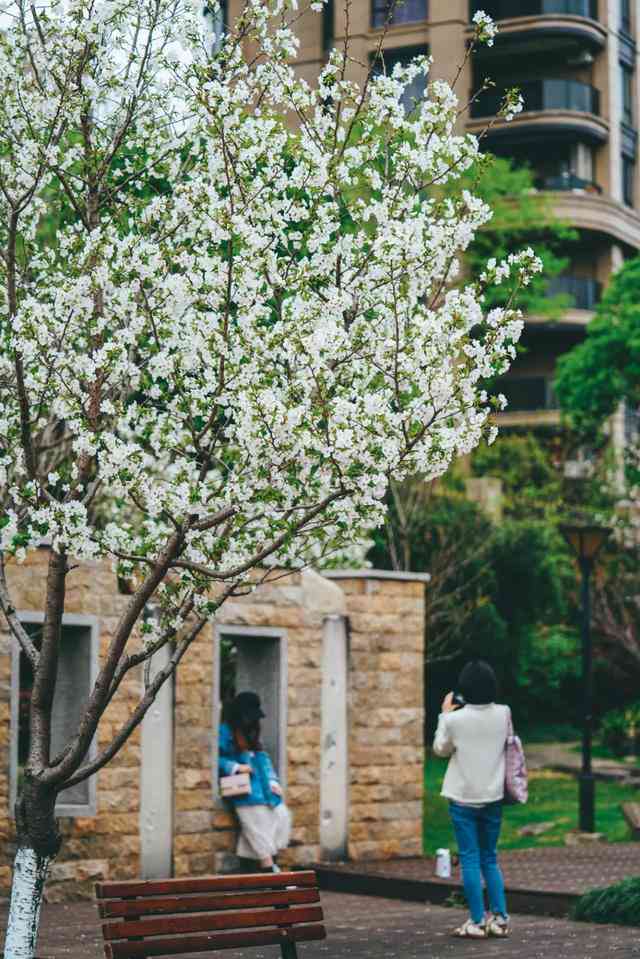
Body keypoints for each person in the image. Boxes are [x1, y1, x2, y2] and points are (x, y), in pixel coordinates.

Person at [432, 660, 510, 939]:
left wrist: (444, 715)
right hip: (493, 797)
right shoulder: (504, 713)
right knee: (490, 858)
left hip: (463, 798)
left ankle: (476, 921)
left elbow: (440, 749)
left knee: (470, 860)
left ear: (464, 689)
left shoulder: (455, 719)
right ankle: (499, 919)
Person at [218, 691, 291, 873]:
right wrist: (234, 766)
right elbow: (215, 758)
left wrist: (274, 781)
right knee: (255, 825)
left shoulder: (252, 731)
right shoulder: (225, 732)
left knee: (280, 816)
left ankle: (251, 866)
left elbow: (263, 758)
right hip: (242, 790)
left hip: (263, 788)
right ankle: (268, 868)